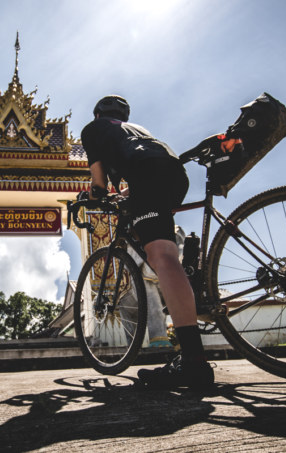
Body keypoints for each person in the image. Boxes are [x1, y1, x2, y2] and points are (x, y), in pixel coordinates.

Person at [80, 95, 214, 390]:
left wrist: (91, 196)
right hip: (172, 173)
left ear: (97, 114)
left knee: (161, 256)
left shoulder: (93, 130)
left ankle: (194, 362)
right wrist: (127, 194)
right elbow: (145, 168)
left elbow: (98, 185)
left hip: (147, 173)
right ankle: (192, 281)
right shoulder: (135, 129)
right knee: (158, 246)